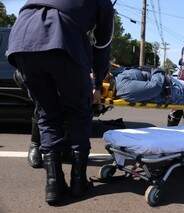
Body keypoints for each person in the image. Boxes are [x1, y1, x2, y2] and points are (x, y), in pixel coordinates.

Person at [7, 0, 114, 205]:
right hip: (62, 39)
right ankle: (78, 181)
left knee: (47, 113)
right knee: (80, 111)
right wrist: (98, 84)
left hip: (21, 40)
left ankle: (53, 185)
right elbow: (102, 45)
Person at [114, 67, 184, 104]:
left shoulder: (116, 75)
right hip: (172, 91)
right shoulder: (124, 87)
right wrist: (157, 71)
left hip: (172, 83)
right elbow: (154, 88)